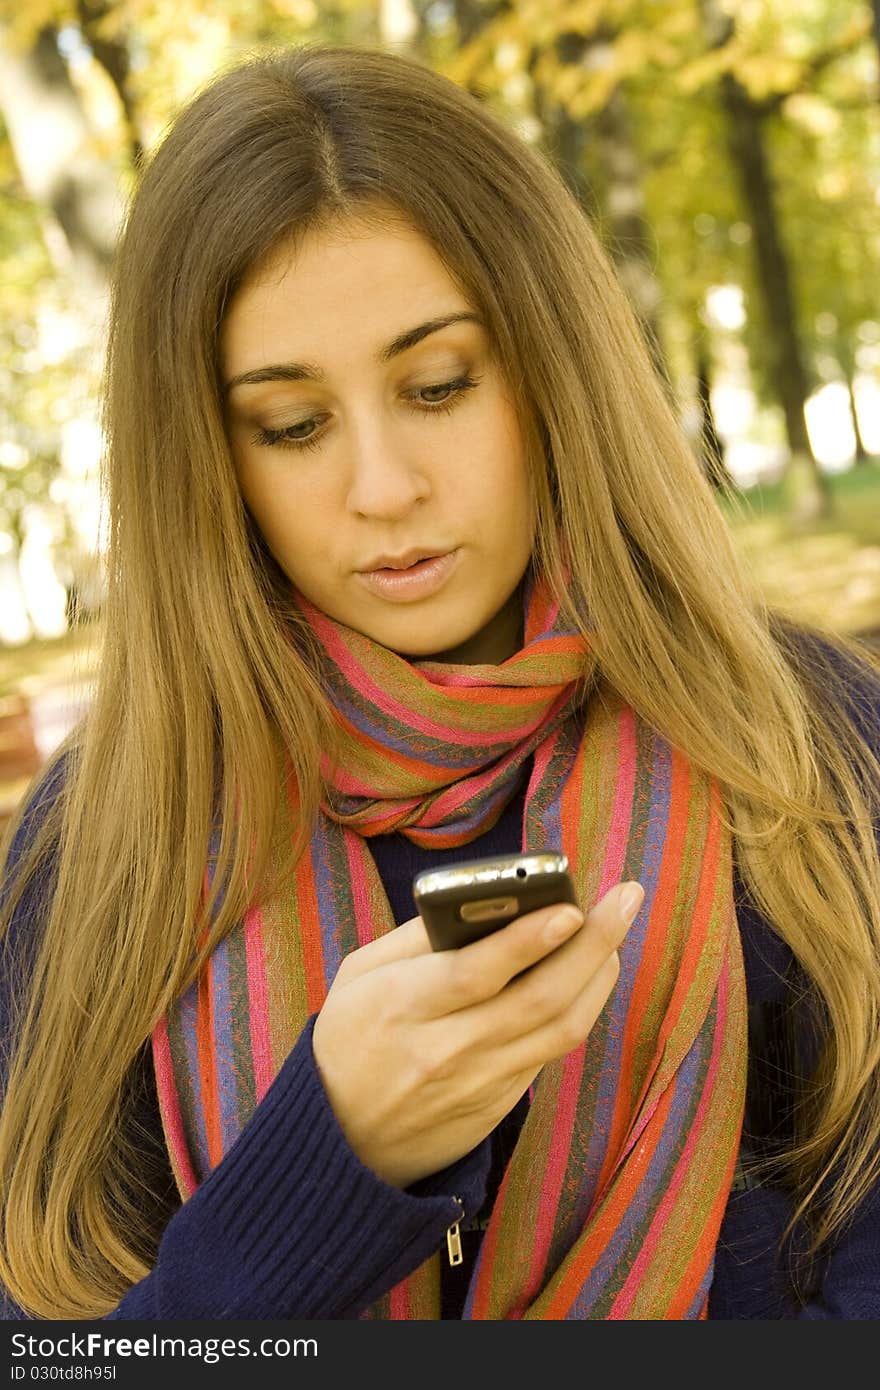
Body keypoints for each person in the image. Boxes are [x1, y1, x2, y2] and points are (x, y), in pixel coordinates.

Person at [1, 41, 879, 1323]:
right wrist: (322, 1173)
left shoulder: (798, 741)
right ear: (210, 459)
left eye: (438, 385)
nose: (384, 488)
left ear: (550, 369)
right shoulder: (97, 845)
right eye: (292, 425)